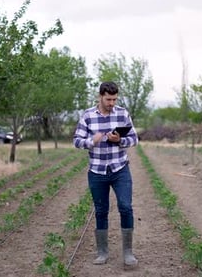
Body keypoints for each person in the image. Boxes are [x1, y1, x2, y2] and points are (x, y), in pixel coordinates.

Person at [73, 81, 139, 266]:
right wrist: (90, 141)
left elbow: (134, 138)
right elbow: (76, 141)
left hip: (120, 168)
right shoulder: (87, 116)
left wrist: (120, 140)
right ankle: (102, 252)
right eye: (108, 99)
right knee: (101, 211)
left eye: (114, 99)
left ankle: (128, 252)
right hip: (97, 171)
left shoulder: (122, 113)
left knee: (125, 207)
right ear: (100, 96)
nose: (111, 103)